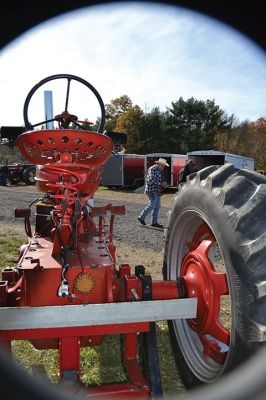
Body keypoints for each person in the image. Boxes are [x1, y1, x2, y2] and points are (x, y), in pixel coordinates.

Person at [138, 158, 169, 229]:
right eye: (163, 166)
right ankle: (141, 217)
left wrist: (164, 184)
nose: (163, 168)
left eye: (164, 166)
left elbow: (160, 180)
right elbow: (151, 179)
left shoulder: (160, 170)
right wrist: (161, 184)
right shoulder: (153, 169)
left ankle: (154, 222)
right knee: (152, 205)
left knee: (157, 206)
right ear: (159, 164)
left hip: (157, 190)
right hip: (151, 190)